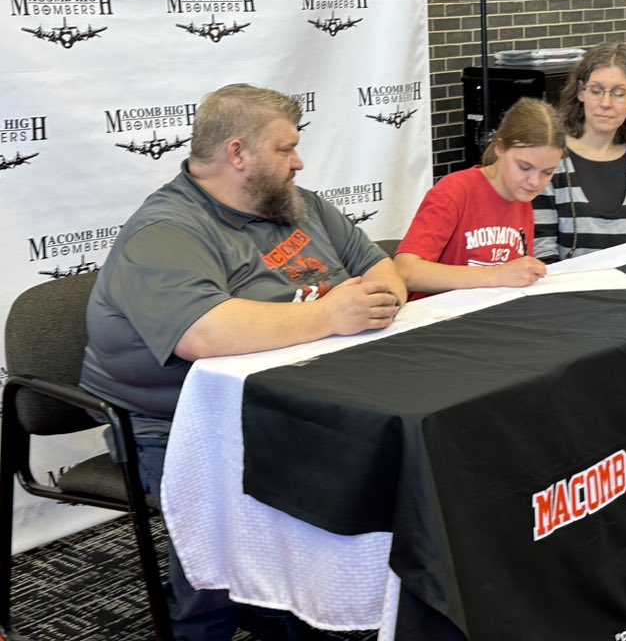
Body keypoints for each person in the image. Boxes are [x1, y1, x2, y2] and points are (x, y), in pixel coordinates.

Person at [79, 83, 406, 641]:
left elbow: (379, 269)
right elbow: (204, 333)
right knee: (224, 508)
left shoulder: (297, 205)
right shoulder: (166, 231)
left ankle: (294, 603)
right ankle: (205, 624)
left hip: (290, 397)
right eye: (286, 148)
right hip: (175, 422)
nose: (298, 162)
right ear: (237, 153)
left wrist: (371, 302)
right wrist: (331, 315)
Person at [395, 97, 565, 299]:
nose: (534, 182)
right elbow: (406, 270)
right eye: (524, 167)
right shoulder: (455, 191)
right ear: (500, 148)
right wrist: (497, 275)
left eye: (547, 172)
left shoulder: (522, 198)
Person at [531, 43, 626, 262]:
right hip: (565, 281)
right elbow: (542, 249)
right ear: (581, 91)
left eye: (619, 93)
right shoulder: (551, 157)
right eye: (596, 91)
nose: (605, 103)